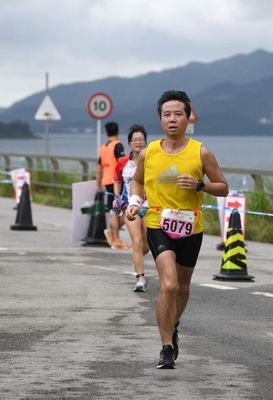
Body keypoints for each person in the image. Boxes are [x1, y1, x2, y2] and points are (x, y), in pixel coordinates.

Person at [125, 90, 228, 369]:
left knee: (182, 288)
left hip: (191, 227)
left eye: (178, 114)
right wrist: (135, 202)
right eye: (167, 114)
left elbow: (223, 187)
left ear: (188, 118)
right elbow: (137, 181)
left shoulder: (201, 152)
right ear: (160, 119)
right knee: (168, 284)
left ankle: (173, 325)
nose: (172, 119)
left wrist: (199, 185)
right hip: (158, 224)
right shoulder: (149, 152)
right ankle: (166, 347)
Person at [113, 124, 150, 292]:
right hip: (130, 206)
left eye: (141, 139)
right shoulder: (122, 163)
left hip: (149, 207)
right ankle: (140, 277)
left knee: (147, 245)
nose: (138, 142)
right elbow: (116, 180)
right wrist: (117, 198)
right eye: (135, 140)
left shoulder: (152, 160)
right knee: (137, 241)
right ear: (129, 143)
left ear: (145, 142)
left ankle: (137, 258)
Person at [96, 121, 130, 249]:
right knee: (122, 210)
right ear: (118, 132)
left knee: (114, 210)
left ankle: (113, 234)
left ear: (106, 133)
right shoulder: (118, 145)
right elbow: (122, 163)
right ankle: (115, 238)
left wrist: (99, 185)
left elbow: (99, 168)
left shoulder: (103, 148)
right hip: (117, 181)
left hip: (106, 181)